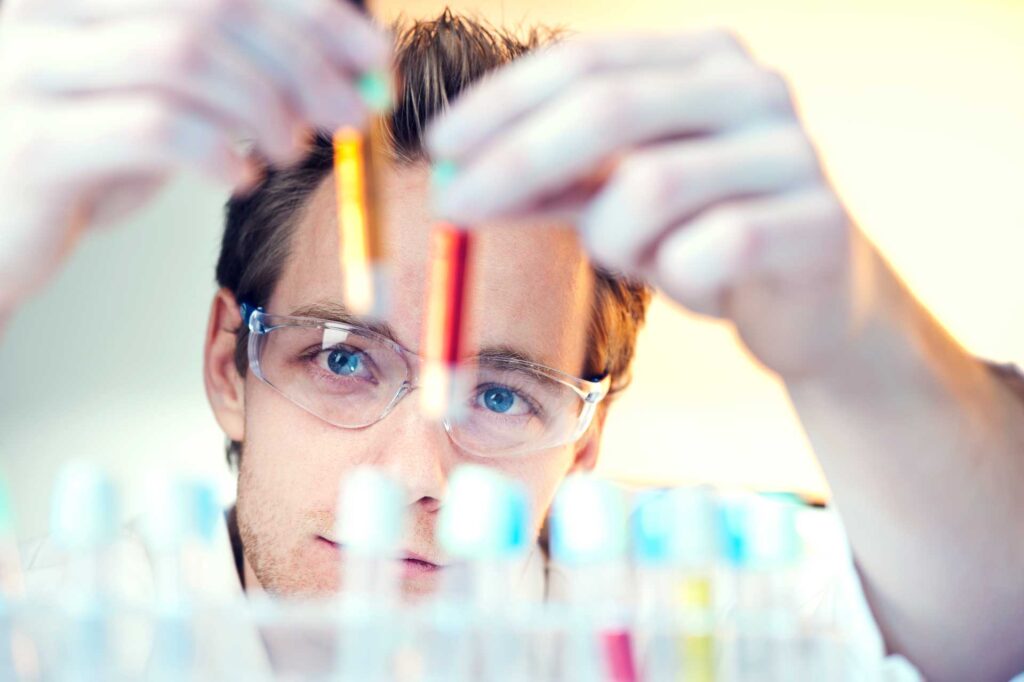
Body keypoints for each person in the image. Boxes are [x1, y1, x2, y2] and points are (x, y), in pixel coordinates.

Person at [3, 3, 1024, 680]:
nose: (412, 475)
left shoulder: (689, 615)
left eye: (500, 396)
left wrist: (852, 326)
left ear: (583, 439)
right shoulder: (56, 627)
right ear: (231, 363)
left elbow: (996, 618)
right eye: (344, 359)